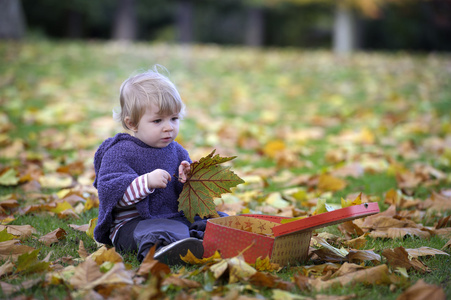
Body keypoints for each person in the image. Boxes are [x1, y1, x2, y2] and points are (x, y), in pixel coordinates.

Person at [93, 67, 226, 265]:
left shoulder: (177, 151)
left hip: (173, 217)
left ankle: (204, 240)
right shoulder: (119, 152)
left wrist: (187, 179)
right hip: (131, 225)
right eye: (157, 120)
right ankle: (158, 251)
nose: (169, 127)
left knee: (215, 219)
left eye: (174, 118)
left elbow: (184, 199)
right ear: (132, 124)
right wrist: (146, 182)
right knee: (156, 232)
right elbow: (112, 194)